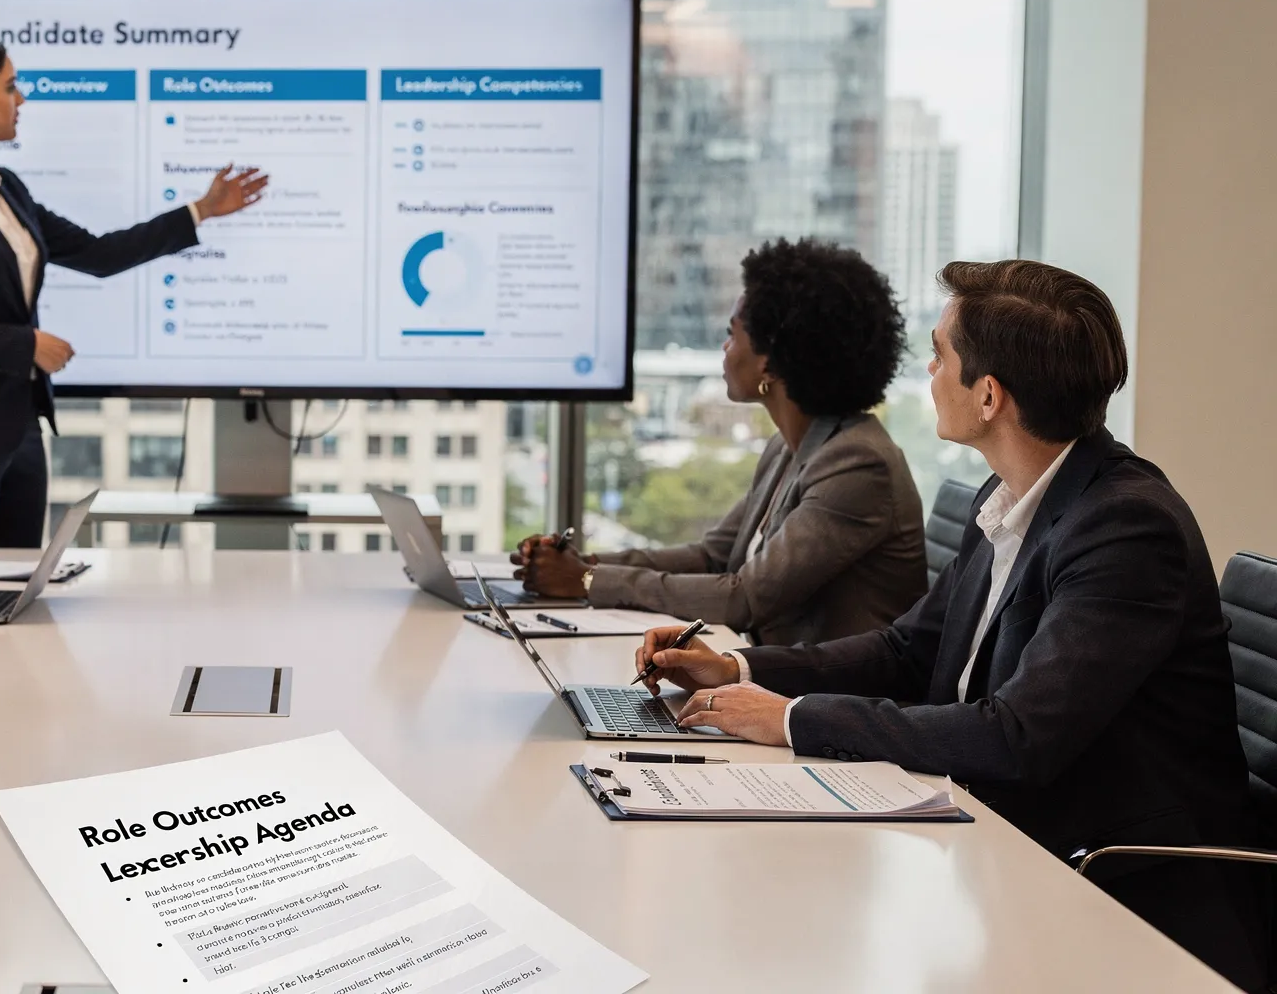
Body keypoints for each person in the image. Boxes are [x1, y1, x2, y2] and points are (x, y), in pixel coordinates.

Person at [633, 259, 1263, 988]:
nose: (928, 370)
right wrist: (743, 670)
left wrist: (792, 719)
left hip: (1124, 895)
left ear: (989, 395)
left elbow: (1014, 736)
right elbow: (910, 650)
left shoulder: (1125, 527)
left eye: (940, 355)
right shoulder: (1010, 496)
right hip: (1000, 845)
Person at [0, 29, 268, 547]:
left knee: (15, 594)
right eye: (10, 87)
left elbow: (99, 254)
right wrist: (26, 345)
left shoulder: (5, 187)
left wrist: (201, 211)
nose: (23, 98)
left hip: (17, 429)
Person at [516, 238, 926, 644]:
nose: (725, 349)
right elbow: (713, 557)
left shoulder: (857, 465)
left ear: (770, 359)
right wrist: (581, 564)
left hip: (832, 701)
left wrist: (587, 580)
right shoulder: (790, 447)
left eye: (732, 335)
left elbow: (746, 598)